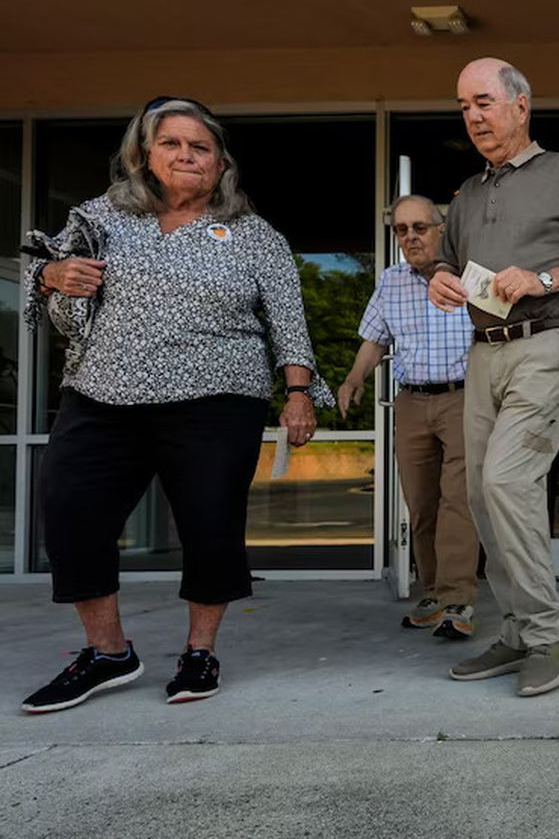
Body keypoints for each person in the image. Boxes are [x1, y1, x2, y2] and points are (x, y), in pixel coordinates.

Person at [19, 97, 333, 713]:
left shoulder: (253, 234)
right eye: (173, 144)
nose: (187, 156)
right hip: (103, 393)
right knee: (69, 509)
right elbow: (47, 270)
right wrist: (53, 277)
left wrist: (298, 394)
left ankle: (199, 651)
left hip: (217, 398)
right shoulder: (102, 216)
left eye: (201, 148)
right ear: (145, 153)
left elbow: (289, 325)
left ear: (221, 164)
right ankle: (108, 652)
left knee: (210, 526)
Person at [428, 58, 559, 696]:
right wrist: (439, 279)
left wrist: (544, 278)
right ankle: (516, 629)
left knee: (507, 481)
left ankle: (546, 631)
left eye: (483, 102)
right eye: (463, 107)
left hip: (545, 342)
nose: (474, 117)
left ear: (520, 105)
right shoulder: (469, 193)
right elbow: (449, 264)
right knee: (482, 498)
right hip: (482, 350)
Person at [339, 194, 480, 638]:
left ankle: (458, 600)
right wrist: (354, 376)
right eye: (402, 229)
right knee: (420, 504)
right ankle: (435, 590)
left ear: (440, 229)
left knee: (459, 499)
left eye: (420, 227)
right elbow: (374, 338)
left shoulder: (469, 276)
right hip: (412, 402)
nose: (411, 236)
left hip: (462, 398)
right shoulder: (391, 280)